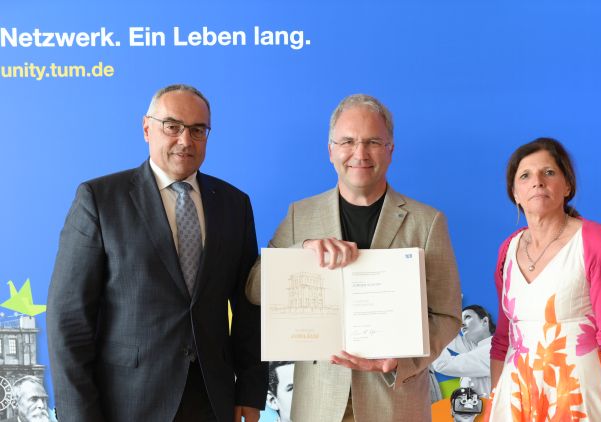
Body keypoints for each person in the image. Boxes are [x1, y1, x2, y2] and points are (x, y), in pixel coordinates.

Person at [47, 84, 267, 422]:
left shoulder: (234, 204)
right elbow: (69, 320)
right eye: (173, 126)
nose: (185, 139)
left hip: (213, 399)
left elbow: (250, 307)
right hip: (127, 402)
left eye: (198, 130)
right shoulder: (100, 199)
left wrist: (251, 393)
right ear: (147, 128)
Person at [247, 94, 462, 422]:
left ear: (391, 150)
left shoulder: (427, 221)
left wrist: (400, 362)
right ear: (330, 149)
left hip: (394, 403)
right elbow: (255, 289)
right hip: (318, 406)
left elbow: (446, 315)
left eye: (373, 142)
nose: (359, 153)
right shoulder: (299, 216)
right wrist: (299, 253)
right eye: (347, 141)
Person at [488, 138, 601, 421]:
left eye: (549, 172)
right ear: (515, 193)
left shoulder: (596, 241)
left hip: (579, 398)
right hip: (516, 399)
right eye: (525, 176)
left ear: (567, 186)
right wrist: (497, 402)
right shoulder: (507, 250)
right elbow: (502, 340)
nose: (538, 182)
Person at [431, 305, 495, 398]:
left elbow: (444, 364)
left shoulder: (490, 351)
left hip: (489, 410)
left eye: (467, 317)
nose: (462, 324)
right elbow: (448, 337)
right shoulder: (476, 346)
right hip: (476, 409)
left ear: (485, 321)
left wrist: (430, 336)